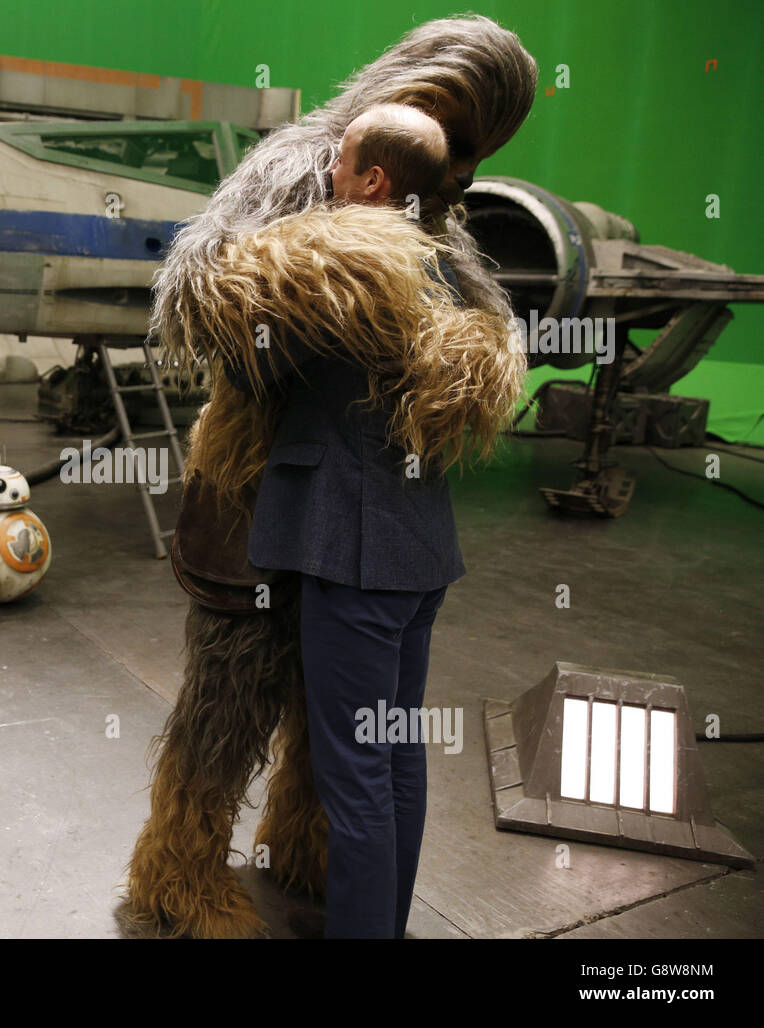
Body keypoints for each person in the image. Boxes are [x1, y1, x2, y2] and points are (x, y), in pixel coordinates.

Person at [126, 14, 537, 939]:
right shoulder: (308, 166)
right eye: (462, 142)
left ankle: (312, 849)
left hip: (361, 522)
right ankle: (181, 866)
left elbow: (482, 337)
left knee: (341, 732)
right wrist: (338, 266)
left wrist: (456, 359)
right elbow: (197, 295)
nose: (465, 171)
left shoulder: (430, 207)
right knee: (230, 701)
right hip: (256, 487)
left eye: (478, 154)